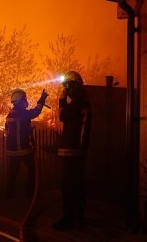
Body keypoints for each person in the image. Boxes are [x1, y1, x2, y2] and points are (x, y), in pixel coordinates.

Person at [53, 70, 91, 230]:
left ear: (75, 85)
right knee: (77, 184)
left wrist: (61, 102)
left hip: (72, 151)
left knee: (68, 185)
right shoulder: (82, 101)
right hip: (77, 151)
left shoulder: (78, 103)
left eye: (67, 86)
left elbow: (63, 116)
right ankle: (79, 217)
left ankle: (68, 219)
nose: (65, 90)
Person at [5, 88, 48, 198]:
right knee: (32, 168)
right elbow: (36, 111)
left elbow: (7, 131)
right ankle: (31, 193)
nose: (26, 100)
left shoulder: (9, 115)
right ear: (19, 101)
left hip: (12, 150)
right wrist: (42, 99)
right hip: (23, 149)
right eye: (24, 98)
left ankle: (8, 196)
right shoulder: (22, 113)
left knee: (12, 172)